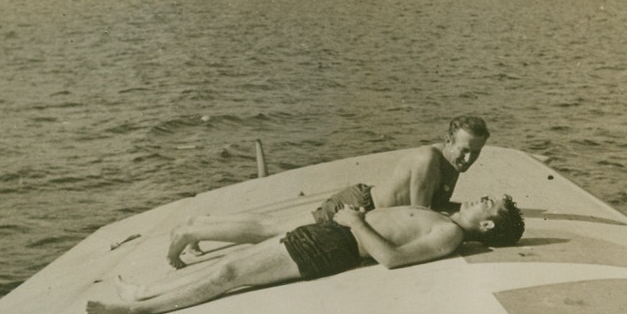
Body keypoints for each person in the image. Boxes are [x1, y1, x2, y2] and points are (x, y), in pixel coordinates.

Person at [87, 194, 524, 314]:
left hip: (333, 247)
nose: (485, 198)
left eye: (492, 204)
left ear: (487, 225)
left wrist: (355, 223)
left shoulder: (448, 233)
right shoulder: (446, 218)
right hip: (329, 233)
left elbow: (392, 258)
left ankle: (134, 310)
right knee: (232, 264)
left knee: (228, 273)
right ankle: (143, 290)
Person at [167, 114, 491, 268]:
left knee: (271, 227)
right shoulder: (428, 160)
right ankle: (191, 228)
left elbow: (438, 205)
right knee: (269, 230)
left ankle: (199, 226)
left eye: (475, 152)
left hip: (365, 210)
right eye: (463, 149)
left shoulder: (451, 163)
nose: (468, 158)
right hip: (357, 206)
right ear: (448, 141)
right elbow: (422, 216)